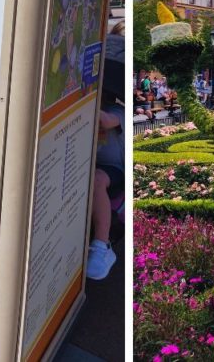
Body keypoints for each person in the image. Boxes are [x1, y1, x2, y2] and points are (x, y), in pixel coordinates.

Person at [87, 32, 124, 281]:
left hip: (113, 170)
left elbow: (107, 120)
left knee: (98, 179)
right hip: (86, 163)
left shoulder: (118, 112)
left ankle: (102, 246)